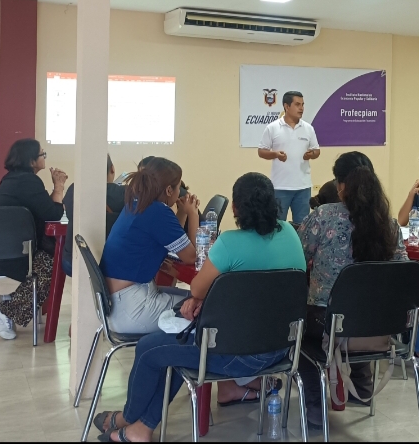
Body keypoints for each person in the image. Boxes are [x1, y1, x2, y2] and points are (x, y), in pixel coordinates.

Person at [93, 173, 307, 442]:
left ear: (235, 208)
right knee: (178, 345)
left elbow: (196, 288)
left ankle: (128, 418)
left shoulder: (229, 243)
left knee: (150, 348)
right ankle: (140, 429)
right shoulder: (290, 234)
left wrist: (199, 298)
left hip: (232, 355)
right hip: (281, 351)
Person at [297, 152, 408, 426]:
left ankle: (315, 405)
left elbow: (298, 258)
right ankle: (362, 386)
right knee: (358, 308)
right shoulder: (390, 225)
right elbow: (402, 272)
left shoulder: (323, 217)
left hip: (327, 324)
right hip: (378, 325)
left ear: (341, 185)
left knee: (301, 328)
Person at [0, 138, 66, 341]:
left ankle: (11, 301)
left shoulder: (12, 179)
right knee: (52, 265)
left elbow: (46, 210)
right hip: (1, 255)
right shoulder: (28, 182)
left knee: (48, 262)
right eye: (42, 154)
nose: (44, 157)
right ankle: (4, 310)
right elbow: (54, 215)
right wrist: (59, 187)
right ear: (32, 161)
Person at [98, 158, 198, 335]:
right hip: (133, 308)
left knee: (195, 300)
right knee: (204, 307)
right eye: (178, 187)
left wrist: (182, 212)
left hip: (116, 304)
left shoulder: (137, 204)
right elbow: (191, 256)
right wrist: (193, 214)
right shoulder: (158, 212)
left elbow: (172, 239)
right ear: (169, 190)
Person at [258, 91, 320, 225]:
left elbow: (316, 151)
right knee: (277, 226)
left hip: (303, 187)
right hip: (280, 186)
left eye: (302, 104)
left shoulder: (308, 128)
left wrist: (312, 154)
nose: (301, 108)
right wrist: (275, 154)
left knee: (303, 227)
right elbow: (261, 151)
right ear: (286, 106)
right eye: (297, 104)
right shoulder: (272, 128)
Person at [61, 154, 127, 276]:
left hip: (71, 260)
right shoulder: (123, 193)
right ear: (112, 169)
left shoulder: (74, 189)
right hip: (108, 262)